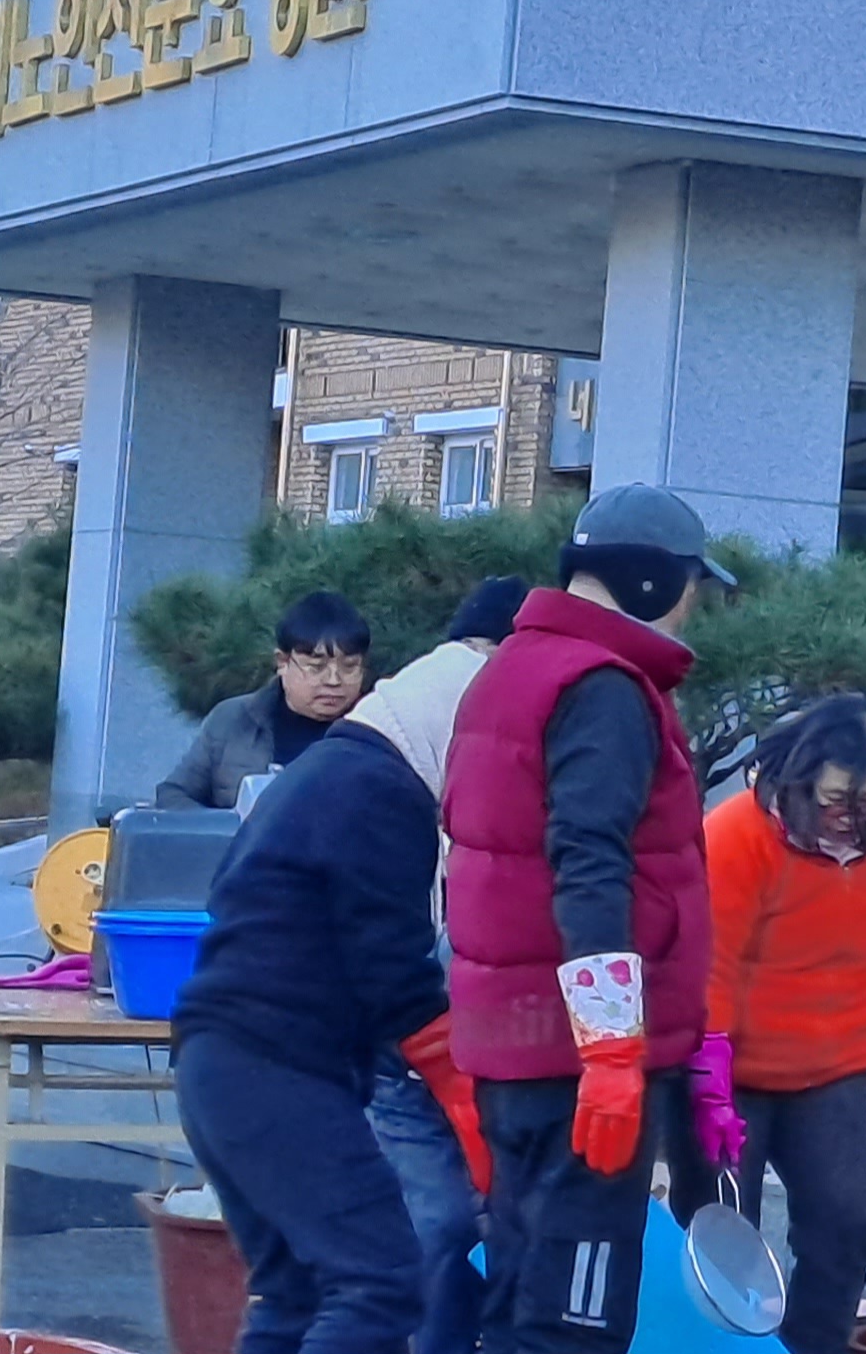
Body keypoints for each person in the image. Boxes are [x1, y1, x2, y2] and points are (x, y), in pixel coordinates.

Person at [443, 487, 736, 1354]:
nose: (690, 607)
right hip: (578, 1059)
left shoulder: (508, 672)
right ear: (650, 580)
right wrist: (610, 1050)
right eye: (689, 586)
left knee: (517, 1295)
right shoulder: (603, 689)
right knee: (576, 1317)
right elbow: (591, 864)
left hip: (509, 1042)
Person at [177, 650, 486, 1354]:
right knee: (379, 1282)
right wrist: (466, 1094)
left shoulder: (322, 773)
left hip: (218, 1060)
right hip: (278, 1067)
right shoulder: (381, 793)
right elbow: (394, 973)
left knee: (299, 1294)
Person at [688, 694, 866, 1354]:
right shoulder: (735, 835)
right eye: (836, 799)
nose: (849, 818)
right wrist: (707, 1073)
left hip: (834, 1069)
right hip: (733, 1070)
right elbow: (711, 964)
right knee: (722, 1239)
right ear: (800, 778)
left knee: (843, 1229)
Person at [362, 574, 529, 1354]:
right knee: (453, 1217)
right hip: (421, 1011)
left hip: (415, 1004)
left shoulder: (402, 701)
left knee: (450, 1216)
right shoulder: (479, 693)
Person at [160, 591, 374, 809]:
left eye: (349, 667)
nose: (333, 680)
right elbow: (173, 795)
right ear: (282, 662)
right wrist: (226, 826)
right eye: (316, 667)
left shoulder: (378, 726)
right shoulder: (233, 720)